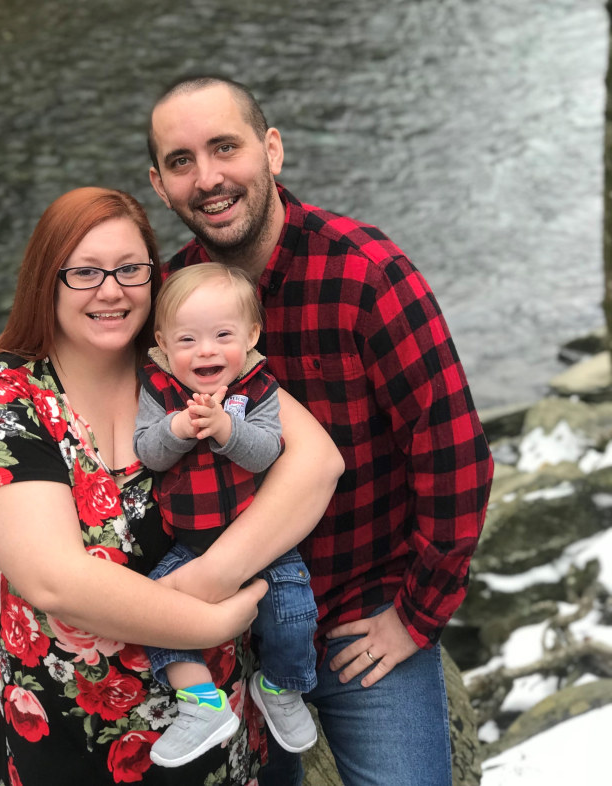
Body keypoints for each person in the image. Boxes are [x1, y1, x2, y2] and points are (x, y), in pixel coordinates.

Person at [146, 77, 495, 786]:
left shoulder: (366, 274)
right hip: (233, 628)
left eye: (225, 148)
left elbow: (454, 456)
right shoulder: (171, 299)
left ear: (271, 150)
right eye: (181, 161)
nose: (207, 178)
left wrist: (415, 615)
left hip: (357, 609)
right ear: (159, 184)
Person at [0, 186, 344, 786]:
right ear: (46, 279)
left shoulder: (177, 356)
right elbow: (54, 580)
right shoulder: (7, 395)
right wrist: (209, 622)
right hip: (78, 731)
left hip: (219, 720)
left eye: (130, 269)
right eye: (84, 272)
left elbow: (316, 462)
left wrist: (214, 576)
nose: (110, 291)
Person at [133, 263, 318, 768]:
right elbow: (148, 451)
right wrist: (177, 427)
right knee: (149, 612)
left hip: (261, 539)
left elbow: (265, 453)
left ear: (251, 335)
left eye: (223, 335)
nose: (206, 350)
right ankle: (202, 702)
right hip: (191, 544)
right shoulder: (159, 390)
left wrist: (223, 428)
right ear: (164, 344)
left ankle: (281, 686)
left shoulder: (259, 389)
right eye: (188, 339)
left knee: (294, 610)